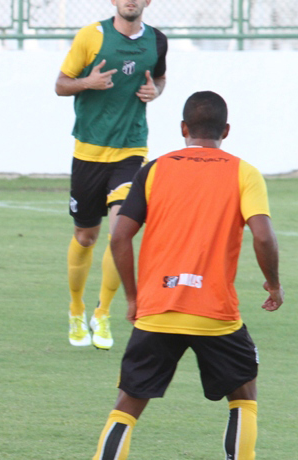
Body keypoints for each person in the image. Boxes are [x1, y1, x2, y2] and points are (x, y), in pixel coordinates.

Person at [85, 91, 283, 460]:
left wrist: (135, 298)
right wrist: (273, 282)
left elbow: (119, 237)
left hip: (158, 309)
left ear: (182, 129)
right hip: (216, 315)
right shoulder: (244, 172)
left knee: (126, 408)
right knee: (244, 397)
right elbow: (264, 236)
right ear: (226, 132)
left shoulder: (153, 170)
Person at [56, 0, 167, 349]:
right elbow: (61, 84)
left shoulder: (158, 41)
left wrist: (156, 91)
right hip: (89, 150)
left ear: (148, 2)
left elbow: (160, 77)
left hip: (132, 150)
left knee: (121, 232)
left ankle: (103, 314)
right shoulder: (91, 36)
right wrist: (87, 82)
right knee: (86, 236)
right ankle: (76, 309)